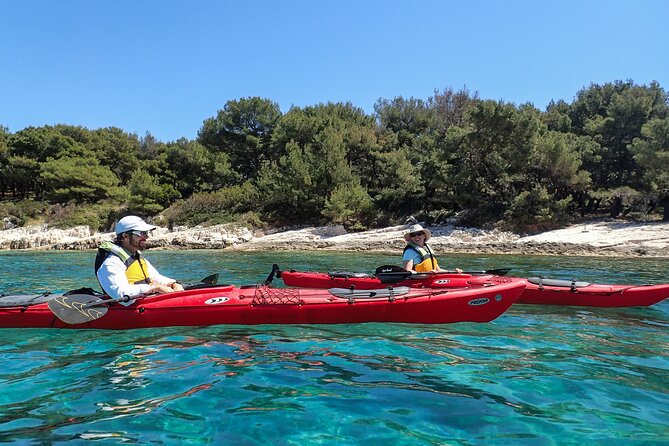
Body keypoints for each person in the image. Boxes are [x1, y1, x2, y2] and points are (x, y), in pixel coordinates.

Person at [95, 215, 184, 305]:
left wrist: (173, 284)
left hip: (146, 301)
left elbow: (156, 278)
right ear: (125, 236)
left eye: (146, 233)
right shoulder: (111, 263)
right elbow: (121, 294)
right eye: (141, 233)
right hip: (127, 308)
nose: (146, 237)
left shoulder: (136, 256)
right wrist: (153, 289)